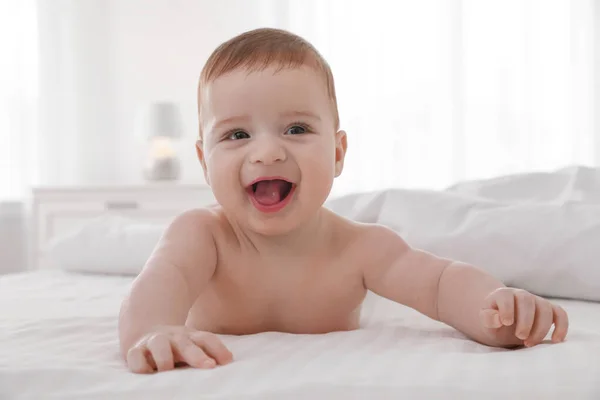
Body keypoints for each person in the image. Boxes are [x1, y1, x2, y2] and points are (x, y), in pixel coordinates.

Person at [118, 28, 569, 374]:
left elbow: (440, 283)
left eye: (296, 129)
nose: (267, 152)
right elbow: (160, 284)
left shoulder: (360, 248)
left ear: (337, 153)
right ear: (203, 160)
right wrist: (153, 330)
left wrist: (495, 309)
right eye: (237, 135)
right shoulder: (201, 235)